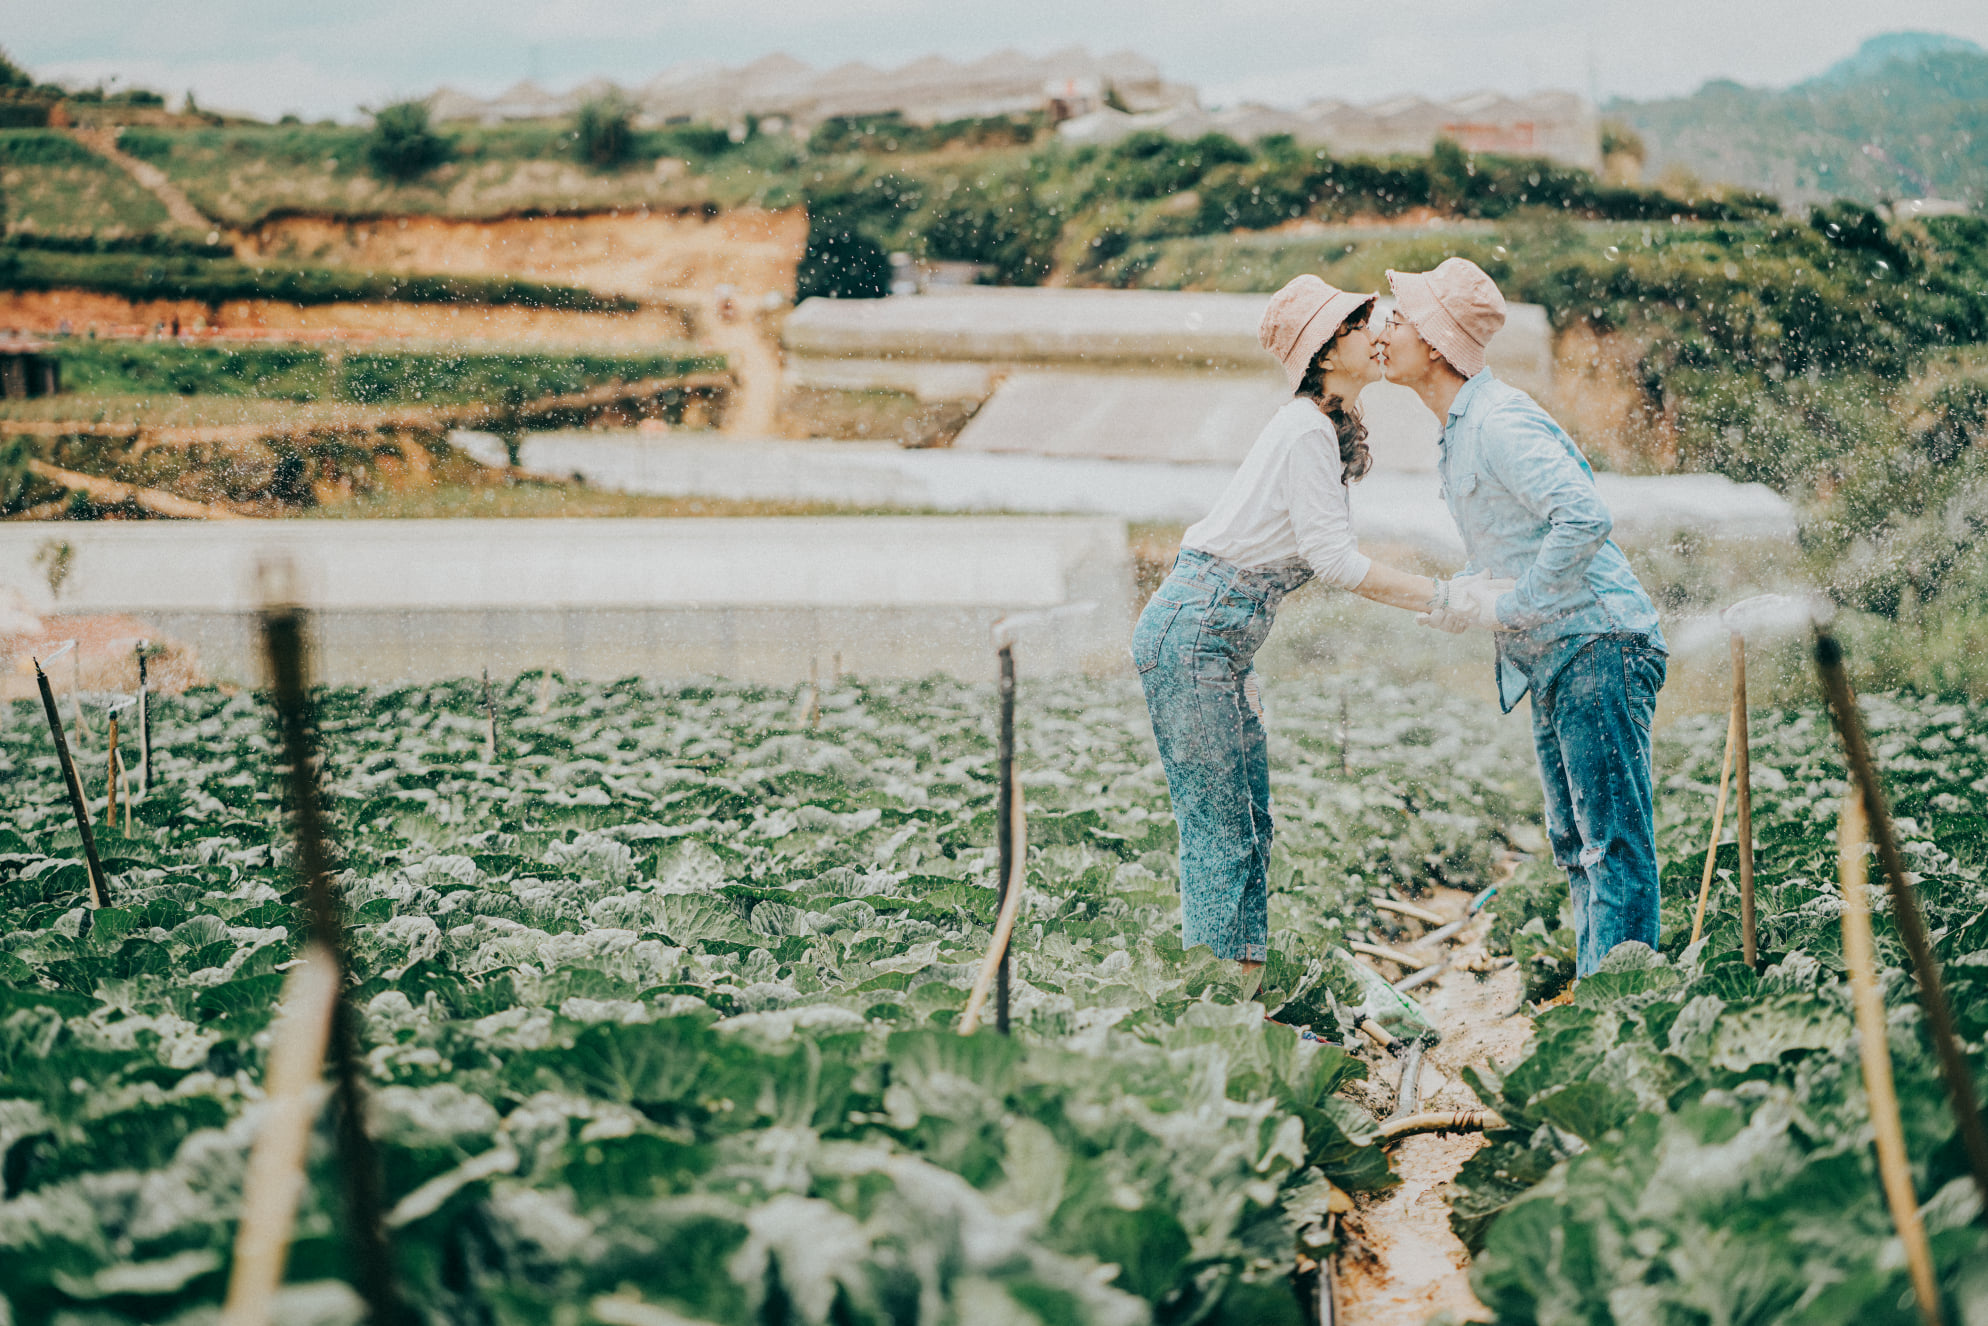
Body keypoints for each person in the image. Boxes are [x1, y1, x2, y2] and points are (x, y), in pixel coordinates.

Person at [1133, 275, 1510, 970]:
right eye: (1360, 324)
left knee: (1249, 826)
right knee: (1220, 831)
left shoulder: (1319, 428)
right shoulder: (1305, 428)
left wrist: (1452, 593)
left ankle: (1242, 995)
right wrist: (1448, 598)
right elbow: (1335, 562)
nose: (1378, 333)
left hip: (1213, 643)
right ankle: (1219, 1011)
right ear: (1327, 353)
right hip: (1193, 638)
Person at [1377, 257, 1668, 977]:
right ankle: (1599, 999)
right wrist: (1467, 596)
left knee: (1611, 844)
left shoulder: (1499, 422)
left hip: (1597, 642)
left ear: (1437, 344)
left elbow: (1582, 518)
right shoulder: (1458, 430)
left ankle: (1623, 1015)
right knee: (1574, 843)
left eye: (1400, 318)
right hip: (1557, 649)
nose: (1384, 328)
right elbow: (1522, 542)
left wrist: (1513, 604)